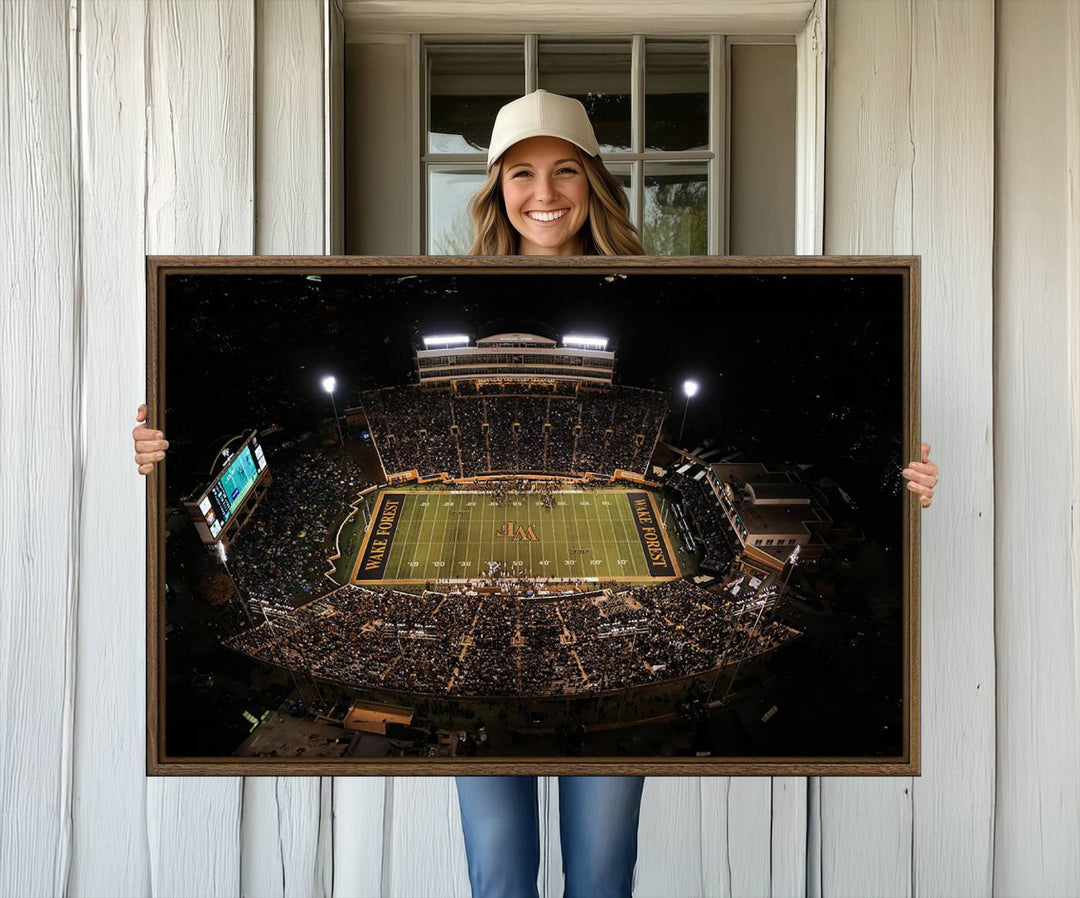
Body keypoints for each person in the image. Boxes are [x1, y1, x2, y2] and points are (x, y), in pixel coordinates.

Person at [132, 89, 940, 898]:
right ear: (495, 188)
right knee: (500, 874)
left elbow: (810, 431)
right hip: (493, 707)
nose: (544, 194)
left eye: (564, 171)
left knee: (600, 873)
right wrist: (157, 449)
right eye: (521, 173)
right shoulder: (444, 278)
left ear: (594, 181)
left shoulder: (649, 279)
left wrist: (901, 480)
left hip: (578, 719)